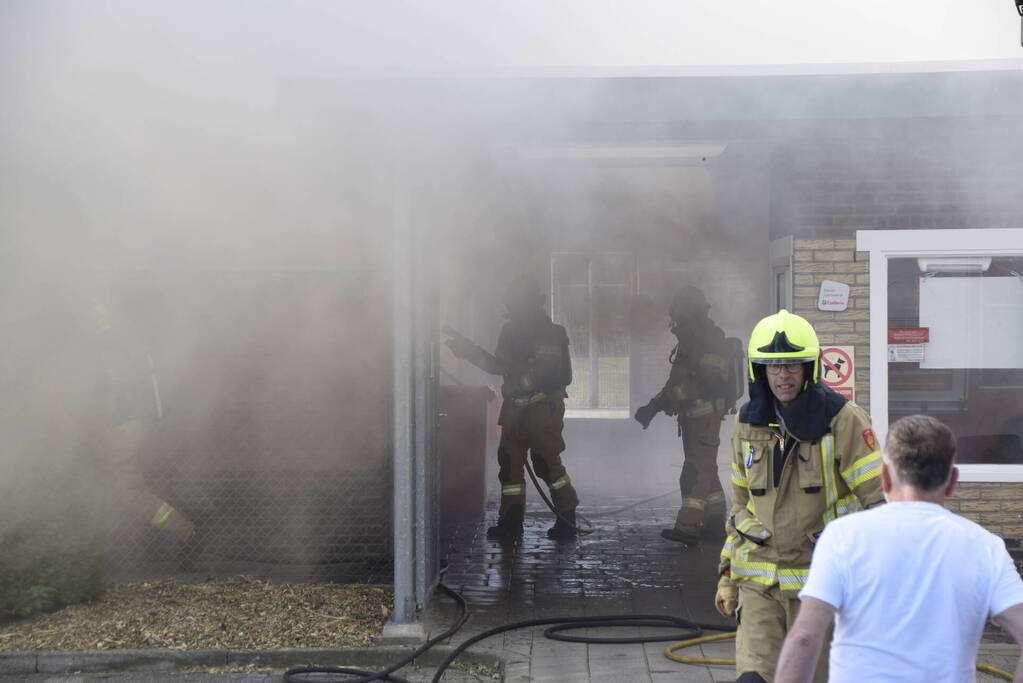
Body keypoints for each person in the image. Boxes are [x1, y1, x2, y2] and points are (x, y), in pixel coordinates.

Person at [775, 415, 1023, 683]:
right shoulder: (985, 547)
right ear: (952, 480)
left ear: (884, 477)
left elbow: (804, 637)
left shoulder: (843, 536)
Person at [714, 309, 884, 683]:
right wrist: (727, 575)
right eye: (773, 366)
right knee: (753, 677)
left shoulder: (843, 420)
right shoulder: (746, 423)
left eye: (792, 365)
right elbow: (740, 507)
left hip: (820, 586)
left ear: (810, 368)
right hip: (759, 584)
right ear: (759, 371)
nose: (783, 375)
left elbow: (880, 504)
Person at [445, 276, 579, 541]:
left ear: (530, 303)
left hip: (542, 410)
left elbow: (549, 373)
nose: (513, 309)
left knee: (546, 464)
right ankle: (510, 522)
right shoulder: (509, 332)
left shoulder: (551, 333)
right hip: (515, 410)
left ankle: (567, 518)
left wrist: (520, 384)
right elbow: (498, 366)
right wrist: (467, 350)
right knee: (509, 466)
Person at [634, 285, 734, 544]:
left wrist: (665, 402)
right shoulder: (691, 342)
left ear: (690, 314)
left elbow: (704, 382)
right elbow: (675, 382)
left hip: (705, 416)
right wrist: (654, 406)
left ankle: (688, 526)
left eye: (679, 317)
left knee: (694, 472)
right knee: (706, 469)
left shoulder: (710, 340)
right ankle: (715, 522)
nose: (675, 324)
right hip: (694, 417)